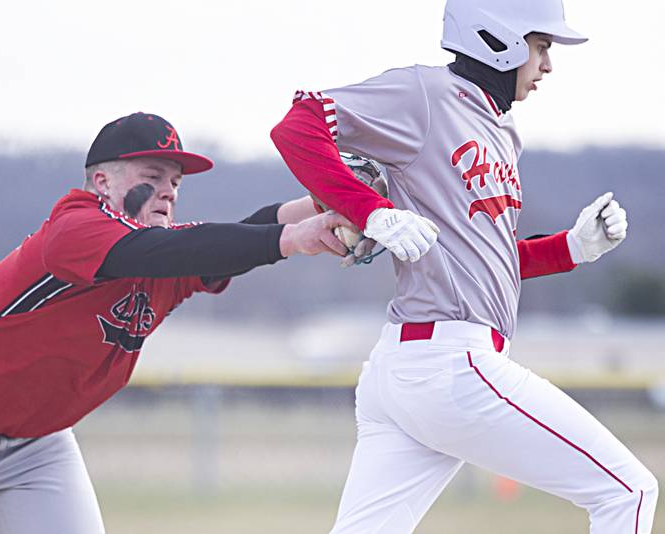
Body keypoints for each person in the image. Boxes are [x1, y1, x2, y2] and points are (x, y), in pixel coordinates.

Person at [0, 111, 359, 533]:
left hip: (35, 445)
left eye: (175, 182)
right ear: (102, 182)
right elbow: (182, 248)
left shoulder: (161, 258)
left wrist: (334, 200)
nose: (167, 190)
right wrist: (295, 237)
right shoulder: (73, 230)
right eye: (153, 174)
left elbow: (239, 234)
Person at [270, 0, 658, 532]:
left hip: (409, 367)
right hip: (451, 363)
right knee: (628, 492)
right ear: (498, 37)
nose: (547, 64)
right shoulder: (425, 94)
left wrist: (573, 248)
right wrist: (372, 211)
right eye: (541, 45)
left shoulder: (503, 130)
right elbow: (299, 124)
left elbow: (481, 259)